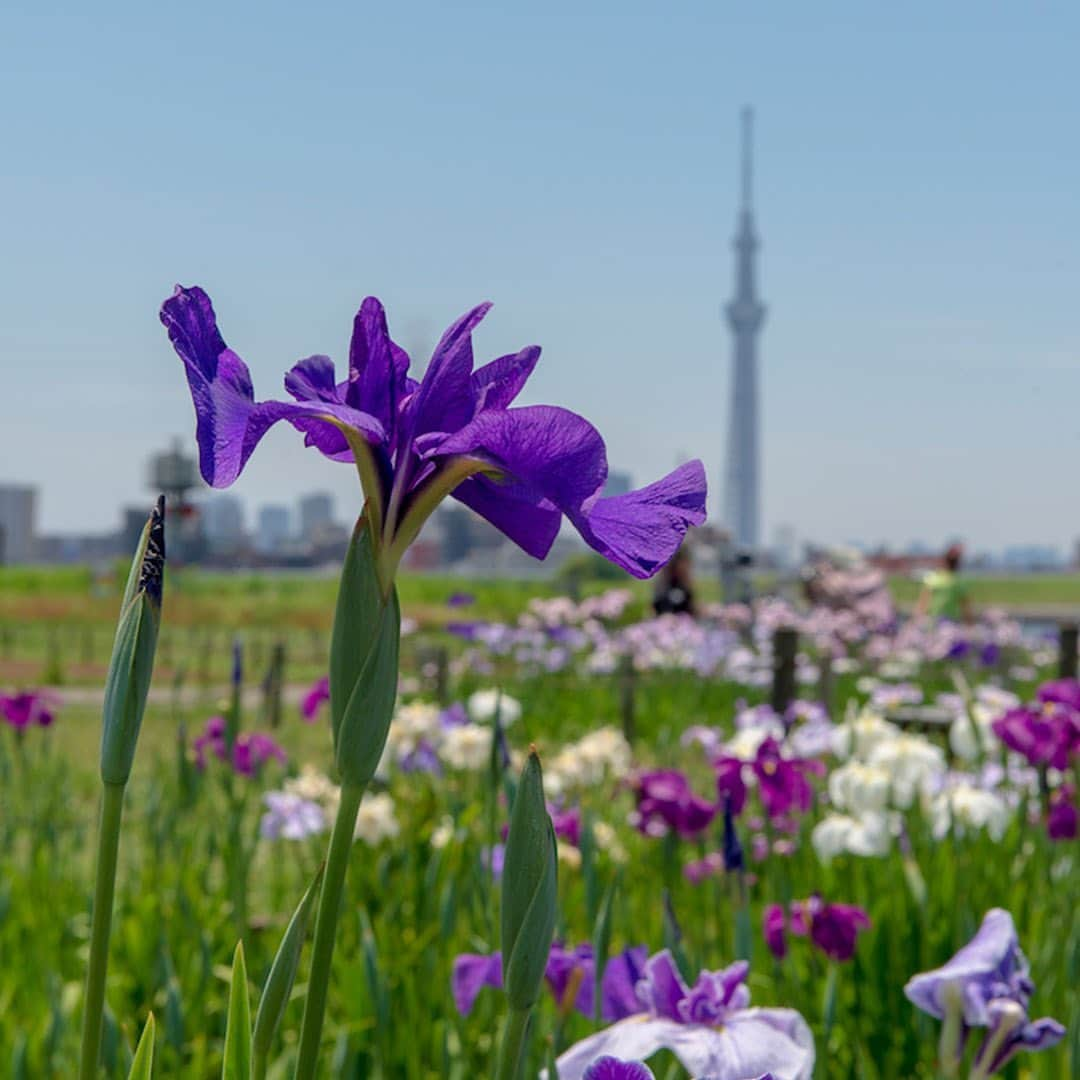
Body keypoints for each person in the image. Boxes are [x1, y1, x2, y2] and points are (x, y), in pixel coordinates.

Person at [916, 543, 973, 623]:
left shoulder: (932, 579)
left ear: (944, 561)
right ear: (958, 564)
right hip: (951, 622)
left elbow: (922, 604)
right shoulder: (958, 582)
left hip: (932, 622)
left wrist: (916, 621)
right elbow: (966, 608)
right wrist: (970, 624)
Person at [653, 546, 696, 617]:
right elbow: (654, 608)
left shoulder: (685, 584)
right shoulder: (663, 584)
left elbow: (692, 607)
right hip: (664, 621)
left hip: (684, 622)